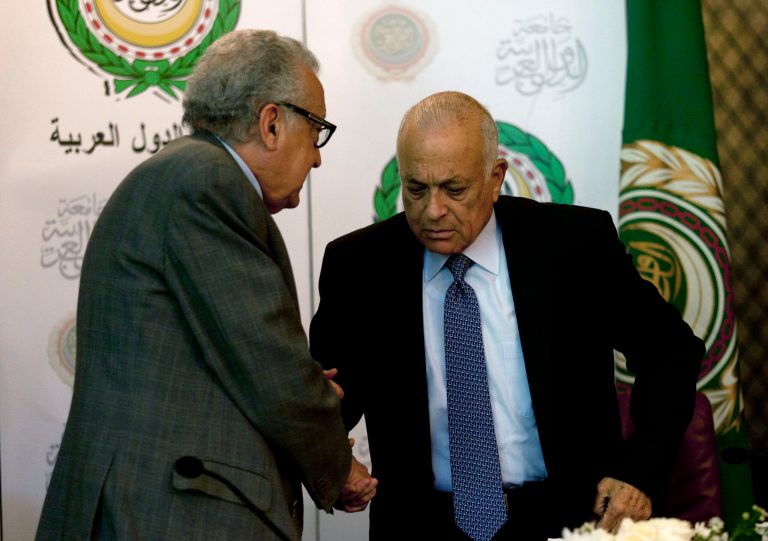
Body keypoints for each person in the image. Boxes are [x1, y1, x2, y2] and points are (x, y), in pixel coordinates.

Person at [309, 91, 704, 540]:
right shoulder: (360, 264)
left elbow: (671, 351)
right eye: (416, 189)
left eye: (454, 189)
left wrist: (640, 471)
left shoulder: (574, 244)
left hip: (567, 516)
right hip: (421, 524)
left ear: (496, 177)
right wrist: (331, 460)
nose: (433, 210)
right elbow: (326, 395)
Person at [36, 29, 376, 541]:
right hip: (167, 515)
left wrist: (305, 388)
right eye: (316, 132)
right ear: (271, 122)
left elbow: (218, 358)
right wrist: (336, 463)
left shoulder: (182, 175)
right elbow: (266, 362)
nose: (317, 157)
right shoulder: (208, 184)